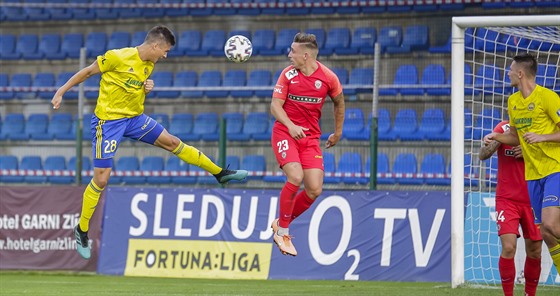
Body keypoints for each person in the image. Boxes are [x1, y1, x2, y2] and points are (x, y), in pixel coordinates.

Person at [51, 25, 248, 260]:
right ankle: (82, 229)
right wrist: (61, 91)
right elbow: (87, 72)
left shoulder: (149, 64)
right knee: (101, 178)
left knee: (173, 142)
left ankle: (220, 173)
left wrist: (146, 90)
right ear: (155, 45)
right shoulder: (117, 56)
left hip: (135, 118)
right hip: (109, 122)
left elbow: (132, 90)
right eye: (164, 51)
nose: (165, 56)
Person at [269, 32, 345, 256]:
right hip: (285, 132)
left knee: (314, 189)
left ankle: (280, 221)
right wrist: (291, 126)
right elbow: (275, 106)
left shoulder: (329, 78)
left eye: (292, 51)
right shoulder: (287, 74)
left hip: (310, 138)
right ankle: (283, 232)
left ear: (305, 55)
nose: (289, 54)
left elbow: (339, 103)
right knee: (295, 176)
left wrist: (338, 132)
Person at [484, 53, 560, 275]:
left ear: (520, 73)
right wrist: (496, 137)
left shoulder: (548, 97)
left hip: (554, 168)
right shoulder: (513, 102)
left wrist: (542, 137)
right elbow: (516, 136)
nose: (507, 73)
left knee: (550, 225)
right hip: (533, 175)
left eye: (510, 70)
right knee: (546, 233)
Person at [479, 121, 542, 296]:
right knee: (508, 247)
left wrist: (528, 152)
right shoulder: (503, 128)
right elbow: (483, 155)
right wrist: (498, 138)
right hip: (507, 199)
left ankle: (530, 293)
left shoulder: (540, 129)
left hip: (534, 197)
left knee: (535, 251)